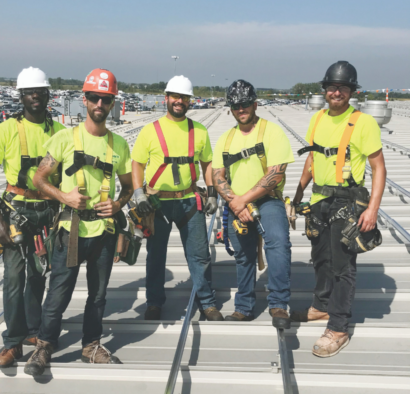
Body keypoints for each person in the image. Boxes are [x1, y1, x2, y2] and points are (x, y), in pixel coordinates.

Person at [24, 68, 133, 376]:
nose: (100, 104)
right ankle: (44, 346)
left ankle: (91, 345)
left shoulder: (119, 146)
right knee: (58, 293)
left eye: (106, 99)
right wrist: (64, 197)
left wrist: (118, 204)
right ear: (85, 99)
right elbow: (39, 178)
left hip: (104, 232)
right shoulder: (65, 139)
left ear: (112, 103)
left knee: (98, 295)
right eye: (95, 98)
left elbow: (127, 187)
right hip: (71, 231)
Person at [291, 61, 386, 357]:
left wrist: (372, 210)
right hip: (319, 200)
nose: (336, 92)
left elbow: (378, 168)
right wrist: (297, 193)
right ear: (325, 90)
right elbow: (311, 160)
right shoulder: (317, 119)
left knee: (343, 266)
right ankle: (321, 307)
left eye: (343, 88)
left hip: (347, 202)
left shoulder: (364, 123)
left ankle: (339, 326)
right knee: (319, 258)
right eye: (332, 87)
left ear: (351, 91)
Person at [0, 67, 66, 368]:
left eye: (40, 91)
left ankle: (32, 330)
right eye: (29, 92)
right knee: (14, 277)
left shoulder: (59, 133)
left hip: (47, 213)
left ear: (47, 95)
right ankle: (12, 342)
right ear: (21, 96)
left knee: (38, 273)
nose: (35, 96)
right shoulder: (4, 131)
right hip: (16, 211)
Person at [131, 75, 221, 321]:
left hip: (189, 201)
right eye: (175, 97)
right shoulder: (151, 131)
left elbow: (207, 163)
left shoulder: (199, 131)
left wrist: (212, 192)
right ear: (166, 98)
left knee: (199, 254)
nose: (179, 101)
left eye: (184, 97)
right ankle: (154, 303)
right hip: (157, 203)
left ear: (189, 100)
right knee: (156, 255)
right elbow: (137, 163)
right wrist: (139, 193)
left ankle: (207, 303)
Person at [212, 80, 294, 328]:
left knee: (278, 243)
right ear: (230, 108)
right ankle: (244, 307)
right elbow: (218, 177)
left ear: (255, 104)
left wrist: (242, 201)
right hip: (236, 203)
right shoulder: (226, 140)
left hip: (267, 201)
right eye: (236, 105)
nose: (241, 109)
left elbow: (276, 175)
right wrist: (236, 203)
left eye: (246, 104)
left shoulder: (271, 132)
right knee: (244, 255)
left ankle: (279, 304)